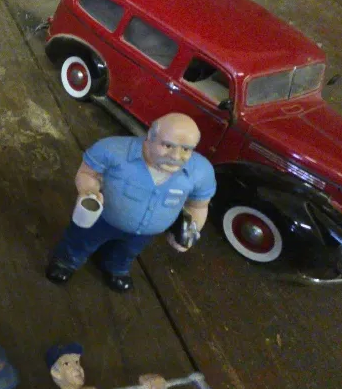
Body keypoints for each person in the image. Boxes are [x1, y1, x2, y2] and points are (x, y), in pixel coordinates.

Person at [46, 113, 215, 293]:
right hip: (101, 219)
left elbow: (198, 206)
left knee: (127, 252)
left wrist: (189, 231)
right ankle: (67, 261)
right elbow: (87, 173)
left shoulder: (201, 171)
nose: (176, 156)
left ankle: (115, 268)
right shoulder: (112, 150)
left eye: (186, 149)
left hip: (145, 234)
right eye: (167, 145)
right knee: (81, 240)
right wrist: (89, 190)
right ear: (150, 136)